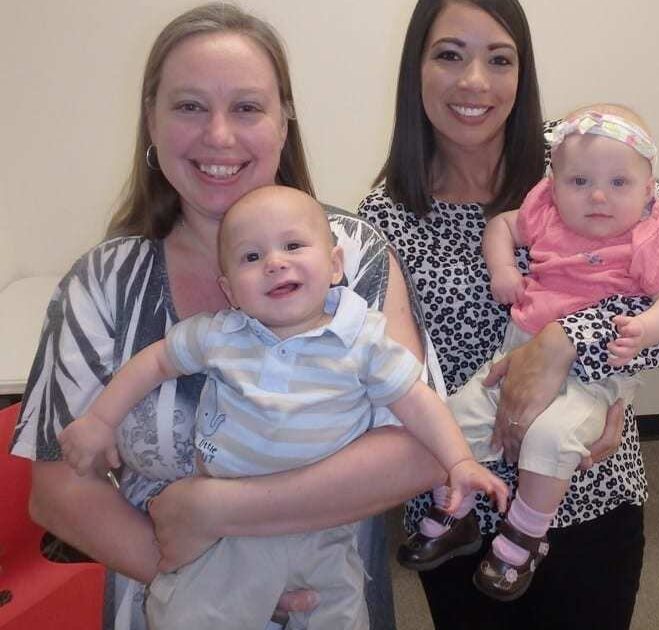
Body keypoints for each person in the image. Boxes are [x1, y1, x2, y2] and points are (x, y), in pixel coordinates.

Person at [9, 5, 454, 629]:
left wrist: (215, 510)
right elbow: (58, 490)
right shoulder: (103, 282)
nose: (219, 136)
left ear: (283, 123)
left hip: (328, 601)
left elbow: (419, 450)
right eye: (190, 106)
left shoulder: (352, 254)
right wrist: (207, 589)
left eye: (247, 107)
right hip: (166, 599)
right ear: (151, 121)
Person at [358, 1, 659, 628]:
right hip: (455, 503)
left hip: (590, 491)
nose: (475, 81)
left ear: (523, 72)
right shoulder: (385, 215)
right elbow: (391, 374)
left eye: (499, 59)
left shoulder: (586, 152)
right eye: (449, 55)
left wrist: (568, 340)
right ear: (416, 70)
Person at [58, 185, 507, 630]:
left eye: (293, 246)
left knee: (340, 617)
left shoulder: (361, 339)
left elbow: (416, 400)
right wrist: (100, 419)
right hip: (226, 539)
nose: (275, 262)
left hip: (326, 525)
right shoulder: (222, 334)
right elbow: (155, 362)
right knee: (191, 617)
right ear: (229, 289)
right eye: (251, 257)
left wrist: (459, 461)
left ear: (335, 265)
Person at [397, 103, 659, 602]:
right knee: (452, 422)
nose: (598, 195)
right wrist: (504, 270)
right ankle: (455, 513)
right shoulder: (546, 209)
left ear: (649, 190)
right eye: (579, 182)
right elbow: (501, 227)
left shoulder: (656, 231)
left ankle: (522, 538)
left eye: (619, 184)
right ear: (555, 184)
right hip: (513, 355)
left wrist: (646, 328)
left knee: (551, 440)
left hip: (592, 373)